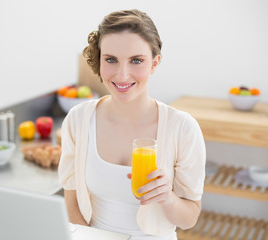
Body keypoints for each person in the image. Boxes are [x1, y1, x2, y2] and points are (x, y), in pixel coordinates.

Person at [58, 9, 206, 240]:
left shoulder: (183, 128)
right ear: (99, 60)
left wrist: (167, 196)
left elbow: (189, 218)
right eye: (111, 60)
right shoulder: (78, 120)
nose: (122, 74)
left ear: (154, 63)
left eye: (136, 60)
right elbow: (71, 203)